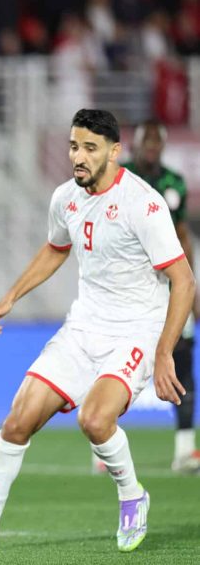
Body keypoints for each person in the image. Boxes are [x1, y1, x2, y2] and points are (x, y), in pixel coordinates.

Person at [0, 109, 195, 553]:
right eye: (73, 146)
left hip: (135, 331)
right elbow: (55, 248)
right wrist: (11, 297)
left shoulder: (144, 204)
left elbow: (184, 279)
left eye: (90, 148)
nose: (78, 157)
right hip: (83, 328)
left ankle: (132, 496)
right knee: (18, 421)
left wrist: (164, 352)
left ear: (114, 151)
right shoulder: (65, 197)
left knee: (95, 420)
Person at [125, 121, 199, 473]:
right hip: (129, 287)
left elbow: (183, 236)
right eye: (147, 141)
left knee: (182, 362)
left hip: (170, 287)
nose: (152, 147)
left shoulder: (174, 183)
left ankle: (184, 449)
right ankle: (102, 447)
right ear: (136, 144)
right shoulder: (121, 177)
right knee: (112, 361)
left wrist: (192, 289)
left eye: (158, 142)